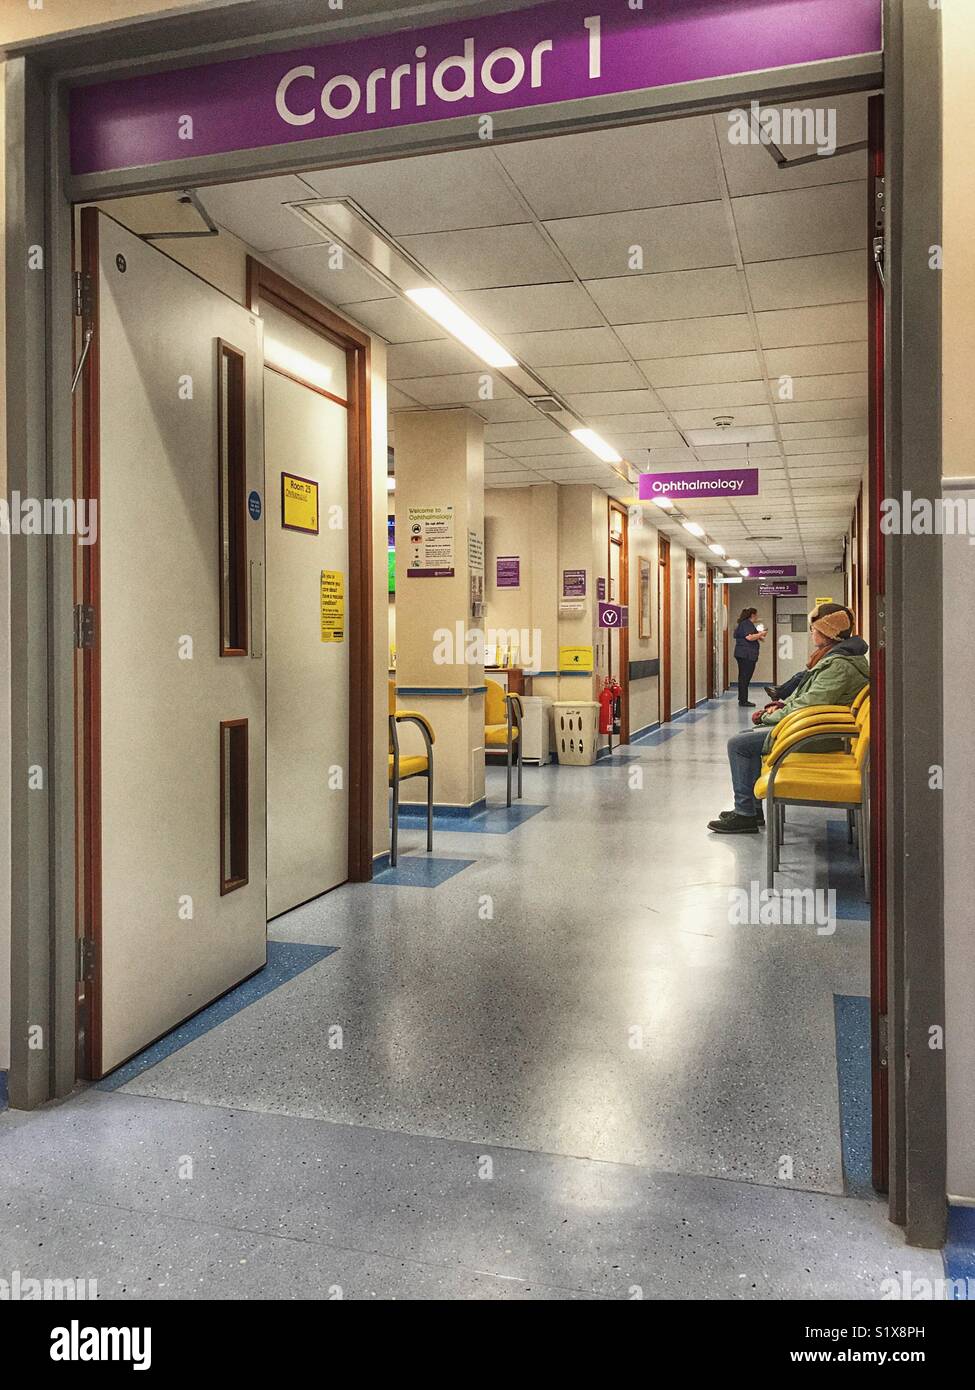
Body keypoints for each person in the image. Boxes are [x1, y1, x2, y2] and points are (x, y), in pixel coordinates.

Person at [708, 603, 869, 834]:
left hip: (817, 734)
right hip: (813, 726)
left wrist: (770, 716)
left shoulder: (839, 666)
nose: (812, 633)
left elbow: (810, 703)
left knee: (738, 745)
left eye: (814, 629)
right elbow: (809, 699)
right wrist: (781, 708)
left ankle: (745, 814)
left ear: (828, 632)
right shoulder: (839, 658)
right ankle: (752, 811)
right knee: (745, 738)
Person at [732, 607, 766, 707]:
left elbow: (757, 637)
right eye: (756, 615)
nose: (757, 617)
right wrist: (760, 634)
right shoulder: (746, 624)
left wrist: (760, 635)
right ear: (752, 615)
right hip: (746, 654)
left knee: (744, 677)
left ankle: (742, 699)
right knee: (745, 677)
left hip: (744, 654)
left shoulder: (745, 624)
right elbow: (749, 637)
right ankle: (743, 700)